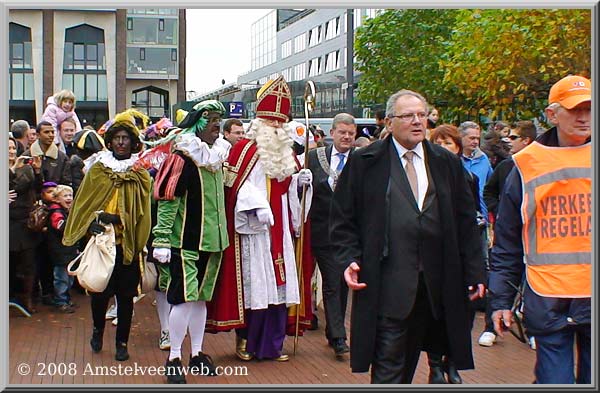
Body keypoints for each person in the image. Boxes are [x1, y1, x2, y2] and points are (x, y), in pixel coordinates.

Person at [330, 89, 485, 384]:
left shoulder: (445, 162)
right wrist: (349, 258)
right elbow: (342, 220)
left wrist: (476, 270)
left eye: (422, 115)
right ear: (389, 122)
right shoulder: (366, 162)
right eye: (408, 116)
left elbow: (465, 221)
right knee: (389, 366)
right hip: (389, 283)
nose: (417, 122)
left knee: (432, 356)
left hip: (437, 286)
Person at [489, 75, 591, 384]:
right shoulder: (524, 165)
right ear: (552, 114)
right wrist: (500, 301)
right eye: (575, 109)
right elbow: (507, 240)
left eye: (589, 108)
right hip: (547, 296)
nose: (584, 117)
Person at [206, 75, 314, 362]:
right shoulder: (244, 150)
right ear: (261, 123)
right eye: (272, 123)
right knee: (253, 289)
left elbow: (289, 191)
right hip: (253, 230)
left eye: (281, 123)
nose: (277, 128)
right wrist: (257, 207)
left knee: (277, 289)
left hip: (280, 231)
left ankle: (272, 345)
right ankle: (246, 340)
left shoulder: (288, 153)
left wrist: (301, 182)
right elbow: (238, 188)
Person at [151, 100, 230, 384]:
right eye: (212, 122)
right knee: (183, 300)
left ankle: (196, 353)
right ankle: (174, 357)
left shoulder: (216, 157)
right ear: (198, 124)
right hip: (186, 242)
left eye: (219, 122)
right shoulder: (182, 157)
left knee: (200, 300)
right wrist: (161, 240)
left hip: (213, 241)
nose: (217, 128)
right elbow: (168, 201)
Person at [63, 111, 151, 362]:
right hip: (102, 242)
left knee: (126, 297)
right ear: (110, 141)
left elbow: (145, 209)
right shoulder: (98, 169)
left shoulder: (140, 172)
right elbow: (84, 202)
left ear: (133, 143)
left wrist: (132, 228)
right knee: (100, 292)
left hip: (127, 243)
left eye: (126, 138)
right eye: (117, 138)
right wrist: (92, 224)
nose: (121, 142)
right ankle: (97, 330)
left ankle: (122, 343)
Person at [307, 113, 356, 359]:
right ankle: (338, 337)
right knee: (331, 282)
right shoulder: (314, 157)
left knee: (342, 283)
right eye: (342, 132)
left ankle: (333, 330)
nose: (346, 137)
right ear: (333, 132)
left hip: (349, 235)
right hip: (322, 230)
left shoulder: (360, 159)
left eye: (351, 133)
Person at [9, 137, 43, 314]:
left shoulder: (26, 167)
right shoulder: (15, 169)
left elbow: (38, 188)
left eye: (13, 148)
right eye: (7, 148)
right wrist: (12, 170)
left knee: (29, 264)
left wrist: (37, 171)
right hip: (7, 224)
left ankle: (27, 298)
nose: (11, 151)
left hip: (25, 222)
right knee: (9, 264)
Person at [46, 185, 78, 313]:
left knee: (69, 277)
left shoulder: (65, 211)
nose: (69, 198)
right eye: (65, 196)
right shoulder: (56, 212)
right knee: (62, 278)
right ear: (57, 199)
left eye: (70, 195)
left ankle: (66, 299)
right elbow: (61, 227)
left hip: (67, 251)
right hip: (60, 251)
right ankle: (61, 301)